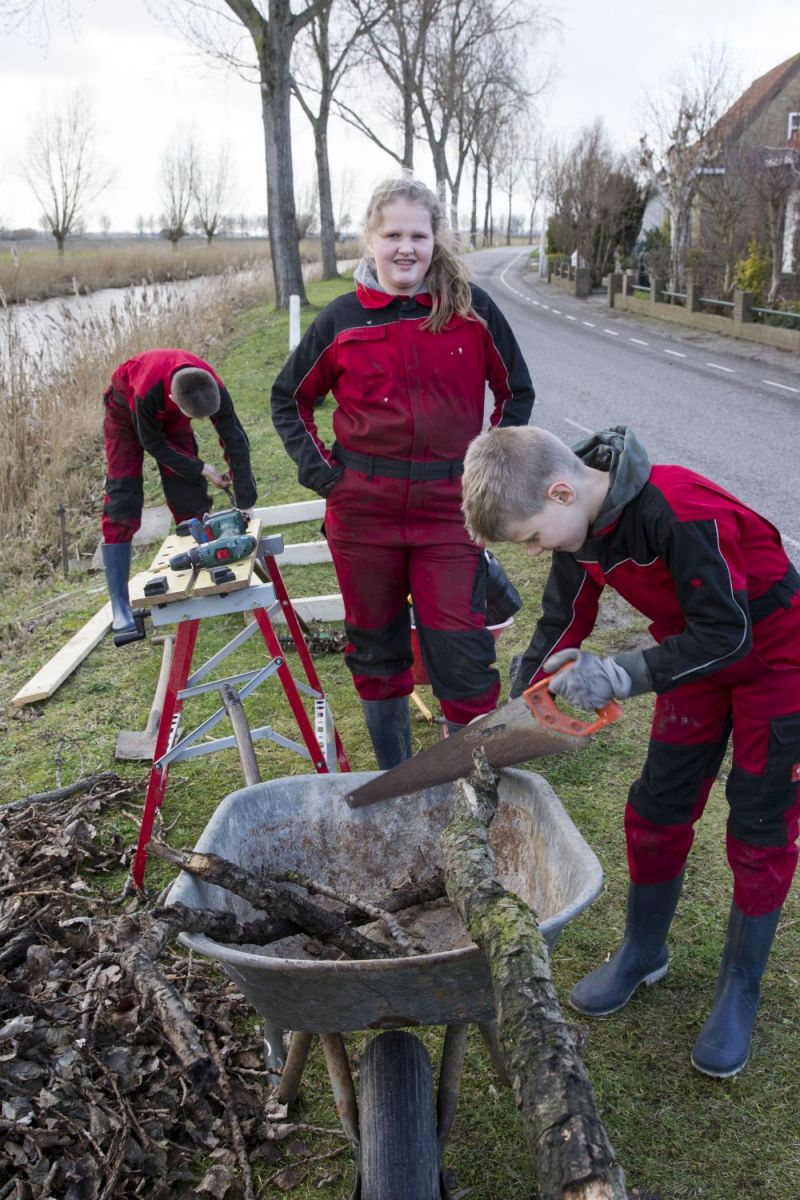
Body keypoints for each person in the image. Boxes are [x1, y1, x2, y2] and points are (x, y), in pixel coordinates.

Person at [461, 423, 800, 1078]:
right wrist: (510, 710)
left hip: (776, 657)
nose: (533, 551)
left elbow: (728, 633)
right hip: (692, 659)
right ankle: (643, 952)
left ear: (562, 491)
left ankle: (740, 989)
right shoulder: (582, 529)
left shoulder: (679, 510)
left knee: (760, 824)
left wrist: (621, 675)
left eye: (531, 536)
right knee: (657, 808)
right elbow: (561, 620)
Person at [270, 176, 535, 769]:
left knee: (462, 651)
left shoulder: (472, 312)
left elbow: (516, 391)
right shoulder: (341, 320)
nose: (406, 248)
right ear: (370, 241)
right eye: (393, 235)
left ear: (436, 239)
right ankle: (398, 779)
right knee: (377, 648)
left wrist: (487, 471)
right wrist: (326, 476)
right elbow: (289, 398)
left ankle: (468, 785)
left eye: (418, 234)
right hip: (365, 511)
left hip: (449, 508)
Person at [101, 348, 257, 644]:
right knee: (123, 497)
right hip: (125, 411)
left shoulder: (214, 386)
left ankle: (209, 574)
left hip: (170, 415)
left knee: (189, 495)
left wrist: (246, 499)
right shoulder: (147, 392)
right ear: (174, 401)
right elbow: (153, 444)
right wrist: (202, 467)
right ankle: (120, 604)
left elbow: (235, 438)